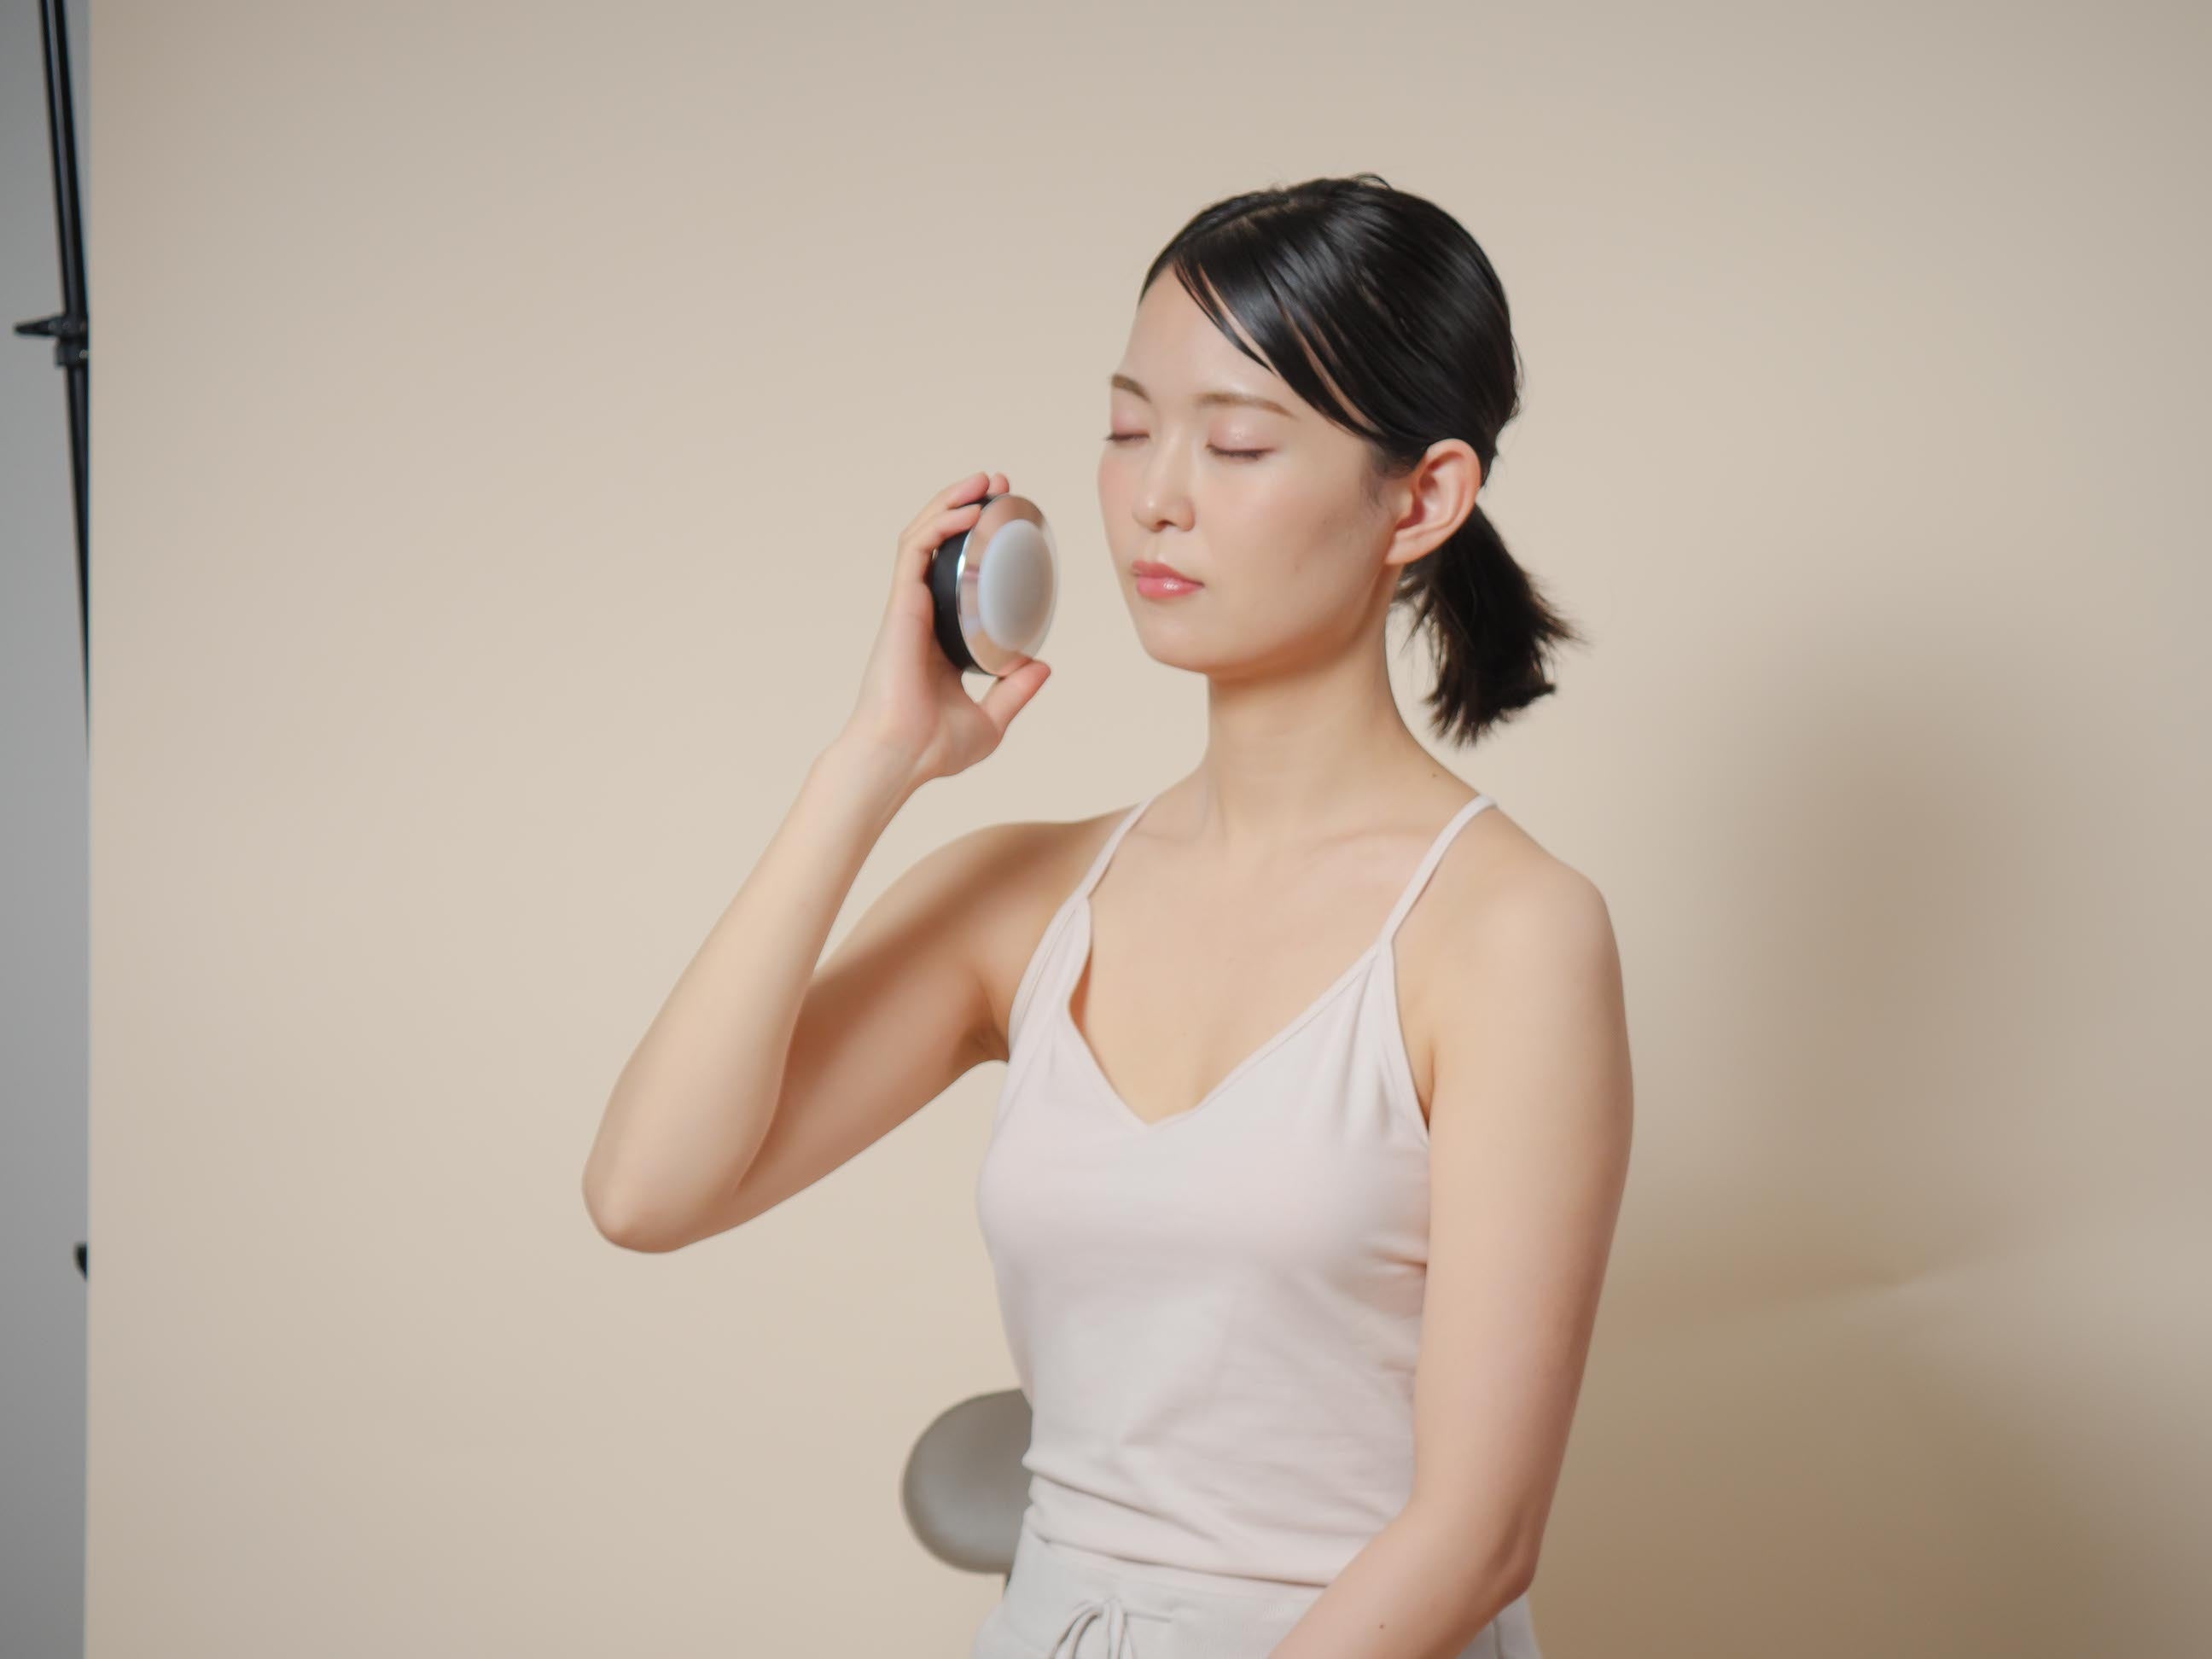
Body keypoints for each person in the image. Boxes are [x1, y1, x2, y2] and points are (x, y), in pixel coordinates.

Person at [582, 172, 1633, 1659]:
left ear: (1423, 499)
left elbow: (1476, 1538)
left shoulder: (1512, 933)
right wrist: (870, 764)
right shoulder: (1018, 896)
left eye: (1239, 442)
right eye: (1130, 429)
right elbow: (647, 1192)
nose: (1156, 496)